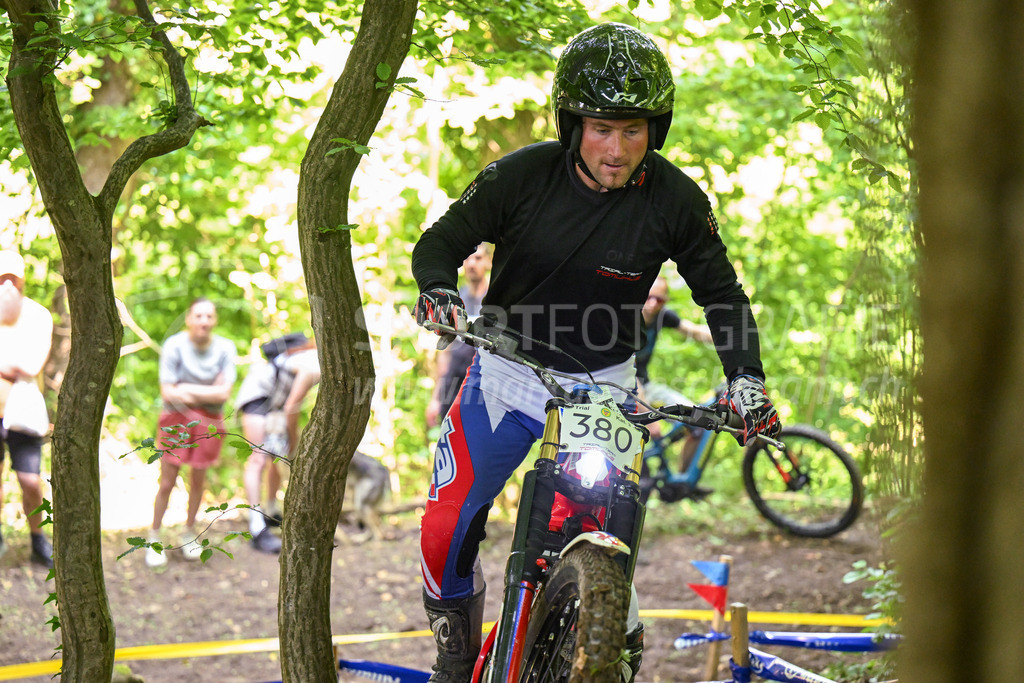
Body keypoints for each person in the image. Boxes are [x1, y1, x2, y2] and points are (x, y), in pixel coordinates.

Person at [410, 23, 781, 682]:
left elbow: (722, 295)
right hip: (506, 373)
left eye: (633, 130)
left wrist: (746, 380)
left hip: (603, 387)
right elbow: (441, 240)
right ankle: (456, 653)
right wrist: (439, 289)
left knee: (611, 556)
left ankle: (596, 652)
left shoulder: (676, 200)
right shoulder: (522, 176)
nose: (617, 149)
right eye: (602, 128)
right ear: (572, 123)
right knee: (445, 526)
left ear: (655, 130)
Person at [146, 298, 236, 568]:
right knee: (167, 481)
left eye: (209, 316)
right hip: (174, 420)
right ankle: (153, 538)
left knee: (199, 480)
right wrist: (206, 393)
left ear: (215, 320)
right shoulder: (174, 345)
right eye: (199, 316)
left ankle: (189, 535)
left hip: (210, 422)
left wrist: (186, 389)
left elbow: (224, 393)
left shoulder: (225, 348)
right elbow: (168, 392)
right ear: (189, 319)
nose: (204, 321)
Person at [234, 334, 320, 554]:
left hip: (276, 403)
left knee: (276, 458)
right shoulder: (314, 366)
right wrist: (293, 439)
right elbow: (292, 406)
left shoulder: (313, 361)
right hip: (257, 398)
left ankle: (271, 512)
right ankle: (256, 527)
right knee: (258, 458)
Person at [0, 251, 54, 568]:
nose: (7, 283)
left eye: (12, 277)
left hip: (23, 413)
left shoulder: (37, 315)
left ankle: (38, 540)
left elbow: (32, 365)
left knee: (30, 481)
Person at [424, 244, 491, 431]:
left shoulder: (495, 299)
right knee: (448, 434)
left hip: (484, 381)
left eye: (477, 258)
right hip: (453, 380)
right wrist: (436, 398)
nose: (471, 264)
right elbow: (445, 349)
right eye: (468, 258)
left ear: (488, 262)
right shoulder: (456, 299)